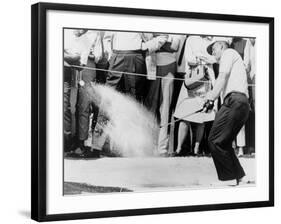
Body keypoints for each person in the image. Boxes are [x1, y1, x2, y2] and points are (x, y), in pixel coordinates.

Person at [205, 37, 250, 185]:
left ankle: (228, 178)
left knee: (214, 141)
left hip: (235, 101)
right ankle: (240, 176)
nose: (213, 52)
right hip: (240, 103)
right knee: (223, 142)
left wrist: (210, 97)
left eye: (214, 49)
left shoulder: (228, 53)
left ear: (221, 46)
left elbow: (222, 77)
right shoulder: (232, 56)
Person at [173, 35, 216, 156]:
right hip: (192, 78)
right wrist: (203, 59)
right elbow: (189, 58)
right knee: (184, 116)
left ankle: (196, 149)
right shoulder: (191, 39)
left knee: (202, 117)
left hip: (206, 80)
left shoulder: (212, 40)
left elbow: (214, 59)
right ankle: (179, 149)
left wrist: (202, 57)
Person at [64, 29, 101, 158]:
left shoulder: (94, 33)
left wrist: (88, 53)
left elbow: (99, 56)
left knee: (84, 107)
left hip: (87, 69)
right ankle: (70, 141)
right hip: (70, 66)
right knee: (70, 106)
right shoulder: (68, 31)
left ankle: (81, 143)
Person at [144, 34, 181, 156]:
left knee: (165, 107)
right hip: (151, 64)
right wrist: (161, 42)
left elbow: (175, 46)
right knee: (151, 106)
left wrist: (156, 43)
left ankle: (162, 148)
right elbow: (145, 42)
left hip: (168, 64)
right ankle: (149, 145)